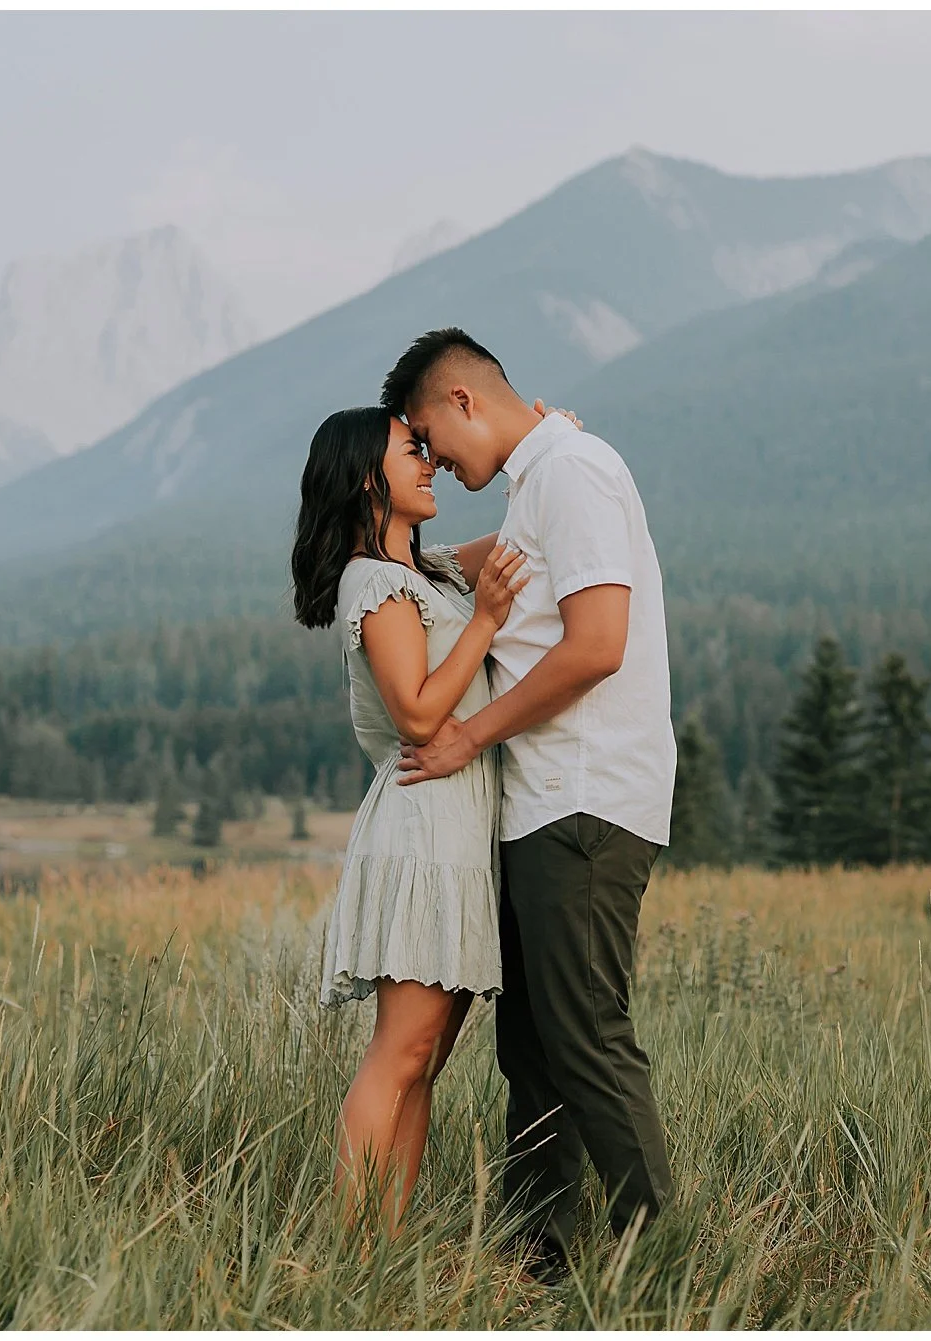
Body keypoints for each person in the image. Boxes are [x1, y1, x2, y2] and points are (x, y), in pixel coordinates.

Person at [382, 328, 678, 1281]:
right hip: (543, 803)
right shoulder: (538, 478)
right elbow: (451, 573)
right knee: (536, 1049)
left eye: (429, 437)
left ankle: (667, 1259)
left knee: (585, 1034)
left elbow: (598, 643)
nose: (434, 462)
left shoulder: (573, 471)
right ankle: (539, 1261)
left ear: (465, 401)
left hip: (583, 799)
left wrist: (468, 734)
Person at [288, 403, 530, 1229]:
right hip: (422, 832)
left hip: (456, 834)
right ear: (366, 479)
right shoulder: (375, 583)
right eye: (411, 452)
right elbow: (421, 715)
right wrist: (490, 623)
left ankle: (382, 1247)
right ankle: (348, 1248)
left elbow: (518, 545)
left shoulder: (429, 575)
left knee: (423, 1061)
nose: (429, 463)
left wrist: (540, 450)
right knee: (400, 1053)